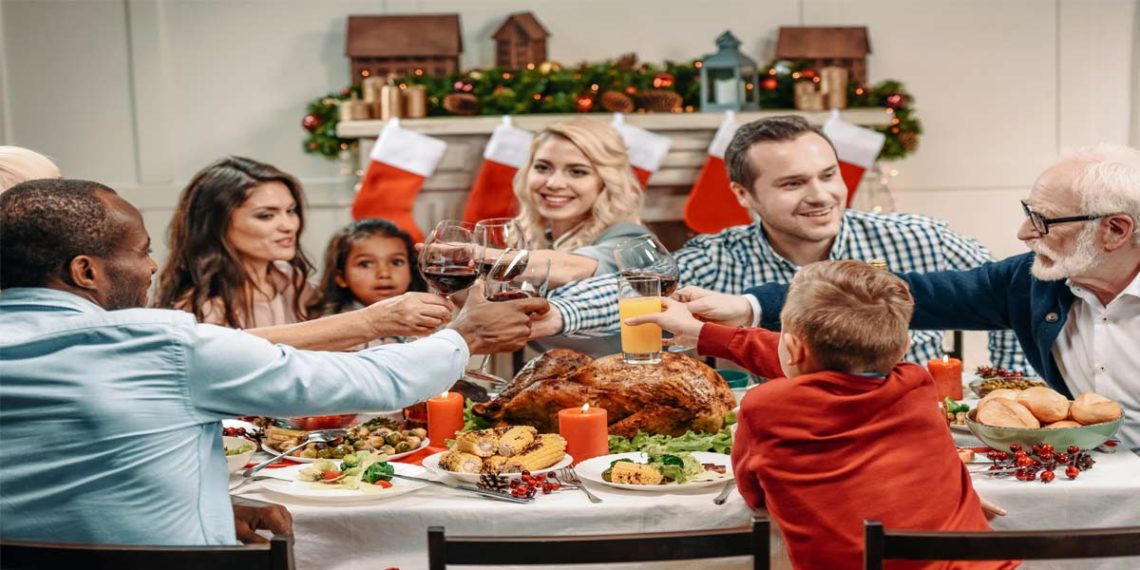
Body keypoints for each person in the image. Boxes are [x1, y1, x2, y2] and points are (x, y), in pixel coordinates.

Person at [0, 179, 549, 546]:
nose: (150, 267)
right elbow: (374, 381)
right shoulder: (161, 347)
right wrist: (466, 334)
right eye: (140, 250)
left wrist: (214, 508)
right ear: (85, 272)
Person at [533, 116, 1028, 370]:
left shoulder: (922, 239)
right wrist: (557, 317)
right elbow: (634, 291)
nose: (821, 196)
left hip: (905, 431)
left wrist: (1009, 388)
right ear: (744, 194)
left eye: (829, 175)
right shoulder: (713, 257)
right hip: (771, 442)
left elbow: (1012, 296)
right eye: (793, 184)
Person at [732, 144, 1139, 450]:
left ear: (1116, 231)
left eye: (1042, 220)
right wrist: (747, 306)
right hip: (1088, 480)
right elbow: (881, 295)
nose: (1024, 232)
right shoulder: (1032, 281)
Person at [626, 260, 1015, 570]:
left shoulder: (766, 407)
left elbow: (753, 493)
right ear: (903, 347)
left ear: (793, 350)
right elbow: (821, 365)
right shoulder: (914, 383)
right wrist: (702, 332)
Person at [509, 118, 655, 288]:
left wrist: (478, 256)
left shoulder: (633, 238)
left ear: (606, 181)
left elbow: (567, 269)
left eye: (577, 172)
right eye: (542, 167)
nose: (554, 183)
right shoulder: (538, 238)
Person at [310, 218, 427, 347]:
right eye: (365, 264)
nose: (384, 273)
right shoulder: (329, 329)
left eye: (396, 262)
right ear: (341, 277)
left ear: (411, 270)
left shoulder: (426, 322)